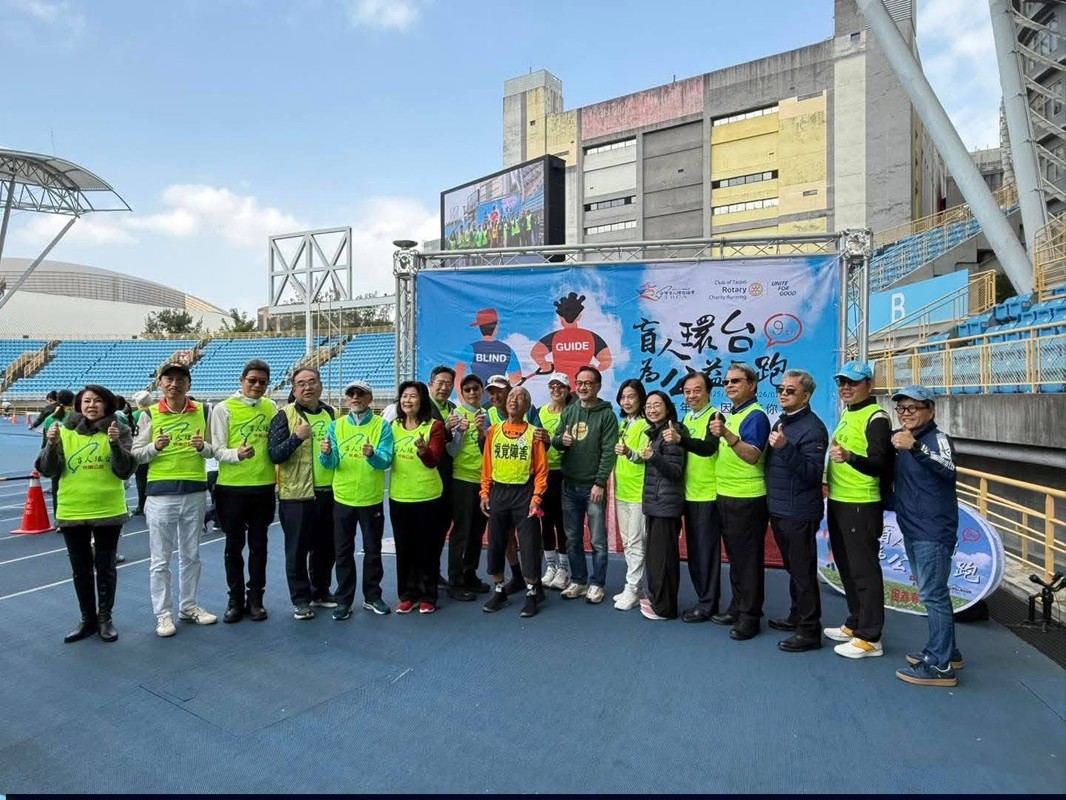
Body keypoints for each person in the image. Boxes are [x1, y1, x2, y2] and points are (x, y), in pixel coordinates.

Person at [36, 385, 136, 643]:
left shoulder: (120, 430)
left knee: (106, 567)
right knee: (80, 569)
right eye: (87, 401)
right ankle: (87, 619)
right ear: (79, 405)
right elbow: (48, 470)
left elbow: (124, 470)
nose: (92, 405)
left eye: (98, 401)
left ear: (107, 404)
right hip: (73, 509)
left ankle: (105, 619)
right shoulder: (62, 430)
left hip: (108, 509)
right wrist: (50, 445)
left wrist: (115, 444)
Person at [132, 362, 218, 637]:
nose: (174, 384)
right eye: (168, 379)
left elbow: (213, 449)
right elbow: (136, 454)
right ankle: (163, 614)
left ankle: (188, 606)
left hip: (194, 492)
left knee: (192, 555)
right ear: (160, 384)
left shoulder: (204, 411)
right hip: (160, 495)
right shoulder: (149, 414)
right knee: (160, 560)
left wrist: (203, 447)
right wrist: (154, 447)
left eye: (180, 379)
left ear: (188, 384)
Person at [890, 385, 963, 687]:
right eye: (901, 408)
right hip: (913, 527)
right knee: (932, 592)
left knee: (934, 595)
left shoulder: (936, 439)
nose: (905, 413)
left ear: (930, 411)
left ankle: (940, 665)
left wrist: (915, 447)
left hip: (932, 530)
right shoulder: (902, 439)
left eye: (913, 408)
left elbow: (949, 469)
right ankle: (947, 651)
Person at [824, 360, 895, 659]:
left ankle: (870, 637)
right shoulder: (848, 412)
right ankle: (856, 623)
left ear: (869, 385)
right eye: (842, 382)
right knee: (846, 566)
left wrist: (851, 457)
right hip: (839, 500)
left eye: (853, 382)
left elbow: (881, 464)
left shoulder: (876, 418)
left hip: (861, 503)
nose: (846, 387)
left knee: (864, 570)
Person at [764, 370, 829, 653]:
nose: (783, 394)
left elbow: (812, 475)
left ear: (806, 395)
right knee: (793, 568)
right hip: (780, 508)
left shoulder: (813, 428)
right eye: (781, 389)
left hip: (799, 511)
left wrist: (785, 447)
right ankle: (796, 616)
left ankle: (809, 630)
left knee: (803, 572)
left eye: (790, 390)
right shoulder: (784, 421)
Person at [319, 379, 394, 619]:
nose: (355, 398)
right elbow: (330, 463)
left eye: (360, 394)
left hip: (370, 499)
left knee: (372, 550)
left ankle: (372, 596)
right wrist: (326, 454)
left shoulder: (382, 426)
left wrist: (373, 455)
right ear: (346, 398)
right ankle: (344, 600)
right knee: (343, 552)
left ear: (370, 398)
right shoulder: (336, 426)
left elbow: (386, 460)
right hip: (343, 498)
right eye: (351, 394)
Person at [210, 359, 278, 624]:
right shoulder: (223, 408)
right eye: (252, 380)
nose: (257, 385)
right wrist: (236, 454)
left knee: (259, 547)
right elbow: (216, 450)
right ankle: (235, 600)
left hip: (263, 487)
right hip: (232, 488)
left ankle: (256, 599)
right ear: (241, 381)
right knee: (233, 547)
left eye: (263, 382)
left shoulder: (271, 407)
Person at [268, 367, 338, 620]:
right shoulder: (284, 416)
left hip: (330, 492)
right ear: (294, 389)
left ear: (320, 385)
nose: (307, 387)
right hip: (297, 494)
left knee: (326, 547)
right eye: (301, 383)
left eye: (312, 382)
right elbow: (274, 454)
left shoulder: (331, 413)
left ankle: (320, 591)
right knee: (297, 550)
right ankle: (300, 599)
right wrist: (296, 438)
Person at [709, 362, 771, 641]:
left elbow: (752, 455)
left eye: (736, 381)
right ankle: (737, 606)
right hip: (727, 495)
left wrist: (727, 435)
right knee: (736, 559)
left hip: (747, 498)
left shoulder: (756, 416)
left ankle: (750, 616)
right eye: (726, 382)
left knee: (748, 561)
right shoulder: (734, 414)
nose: (729, 385)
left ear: (752, 385)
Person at [552, 365, 618, 604]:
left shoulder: (607, 415)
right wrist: (561, 440)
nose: (583, 387)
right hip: (569, 485)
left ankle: (597, 583)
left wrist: (600, 483)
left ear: (598, 386)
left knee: (598, 540)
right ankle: (579, 581)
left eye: (588, 383)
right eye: (579, 383)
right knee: (572, 538)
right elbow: (556, 440)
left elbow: (609, 452)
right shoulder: (569, 412)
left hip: (593, 488)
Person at [480, 387, 549, 617]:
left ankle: (532, 591)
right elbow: (487, 465)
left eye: (520, 398)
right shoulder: (493, 431)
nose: (514, 400)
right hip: (499, 492)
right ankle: (499, 589)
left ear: (527, 406)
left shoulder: (534, 434)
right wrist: (484, 493)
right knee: (496, 542)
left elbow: (541, 470)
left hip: (524, 493)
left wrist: (536, 497)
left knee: (529, 543)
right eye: (511, 396)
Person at [663, 373, 722, 623]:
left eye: (697, 390)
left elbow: (708, 448)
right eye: (687, 391)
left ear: (708, 391)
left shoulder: (715, 417)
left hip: (708, 495)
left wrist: (682, 440)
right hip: (688, 494)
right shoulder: (688, 418)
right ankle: (703, 599)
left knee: (706, 553)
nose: (691, 396)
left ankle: (708, 604)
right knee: (695, 552)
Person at [390, 380, 447, 614]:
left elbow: (433, 460)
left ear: (422, 400)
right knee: (404, 549)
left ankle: (427, 595)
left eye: (412, 396)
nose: (408, 400)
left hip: (427, 497)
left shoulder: (434, 426)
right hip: (399, 497)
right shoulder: (393, 426)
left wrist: (423, 450)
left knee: (427, 549)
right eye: (404, 396)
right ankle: (407, 594)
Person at [637, 391, 687, 621]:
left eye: (657, 405)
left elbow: (675, 471)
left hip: (666, 505)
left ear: (668, 408)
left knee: (663, 559)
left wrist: (653, 456)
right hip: (656, 503)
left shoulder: (671, 433)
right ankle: (659, 599)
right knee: (656, 558)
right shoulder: (656, 433)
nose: (652, 409)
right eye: (648, 406)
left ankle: (664, 608)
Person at [447, 373, 492, 598]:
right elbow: (452, 451)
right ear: (462, 393)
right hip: (462, 480)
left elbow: (490, 450)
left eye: (476, 388)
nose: (472, 392)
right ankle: (455, 580)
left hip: (483, 483)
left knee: (477, 532)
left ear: (482, 391)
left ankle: (470, 573)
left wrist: (483, 432)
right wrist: (461, 433)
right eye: (468, 389)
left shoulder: (487, 415)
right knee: (461, 532)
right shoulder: (456, 415)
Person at [612, 379, 649, 611]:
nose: (626, 401)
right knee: (627, 541)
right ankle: (638, 588)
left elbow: (644, 455)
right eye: (623, 397)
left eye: (631, 396)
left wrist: (628, 452)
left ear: (641, 399)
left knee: (636, 542)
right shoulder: (623, 423)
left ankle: (631, 587)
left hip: (639, 491)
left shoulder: (646, 424)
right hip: (622, 489)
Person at [531, 292, 613, 388]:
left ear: (560, 318)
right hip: (580, 388)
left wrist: (545, 366)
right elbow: (606, 361)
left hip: (564, 388)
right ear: (579, 317)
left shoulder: (555, 337)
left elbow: (535, 353)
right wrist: (596, 369)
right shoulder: (590, 336)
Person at [536, 373, 571, 590]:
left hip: (564, 474)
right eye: (553, 386)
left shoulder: (572, 412)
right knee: (546, 522)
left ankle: (563, 569)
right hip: (544, 474)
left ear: (568, 390)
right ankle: (550, 566)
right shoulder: (540, 411)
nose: (556, 390)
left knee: (562, 523)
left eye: (561, 386)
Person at [428, 365, 460, 594]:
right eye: (440, 382)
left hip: (448, 477)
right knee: (424, 530)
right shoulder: (422, 408)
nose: (444, 387)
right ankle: (421, 576)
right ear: (430, 384)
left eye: (449, 383)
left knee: (441, 527)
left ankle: (434, 571)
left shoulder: (454, 409)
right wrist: (446, 429)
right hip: (426, 478)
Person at [455, 309, 522, 386]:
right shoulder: (507, 350)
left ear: (479, 328)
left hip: (477, 393)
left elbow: (458, 376)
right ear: (496, 327)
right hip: (499, 392)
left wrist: (463, 394)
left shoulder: (470, 349)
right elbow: (516, 378)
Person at [41, 389, 75, 518]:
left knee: (56, 490)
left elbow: (45, 442)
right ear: (73, 401)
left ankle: (58, 518)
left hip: (55, 457)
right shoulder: (77, 417)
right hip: (72, 457)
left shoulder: (50, 419)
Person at [130, 390, 154, 516]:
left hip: (139, 451)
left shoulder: (133, 415)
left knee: (141, 480)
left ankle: (141, 505)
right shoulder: (155, 413)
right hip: (154, 450)